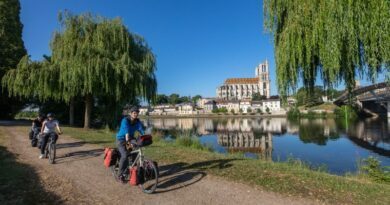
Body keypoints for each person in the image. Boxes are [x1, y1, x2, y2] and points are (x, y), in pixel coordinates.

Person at [115, 106, 144, 183]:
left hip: (130, 138)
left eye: (137, 113)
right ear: (131, 113)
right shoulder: (125, 120)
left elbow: (141, 130)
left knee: (136, 150)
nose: (136, 114)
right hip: (121, 139)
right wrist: (128, 142)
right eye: (134, 113)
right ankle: (120, 175)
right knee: (124, 155)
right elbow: (126, 131)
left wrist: (145, 137)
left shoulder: (137, 122)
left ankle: (131, 168)